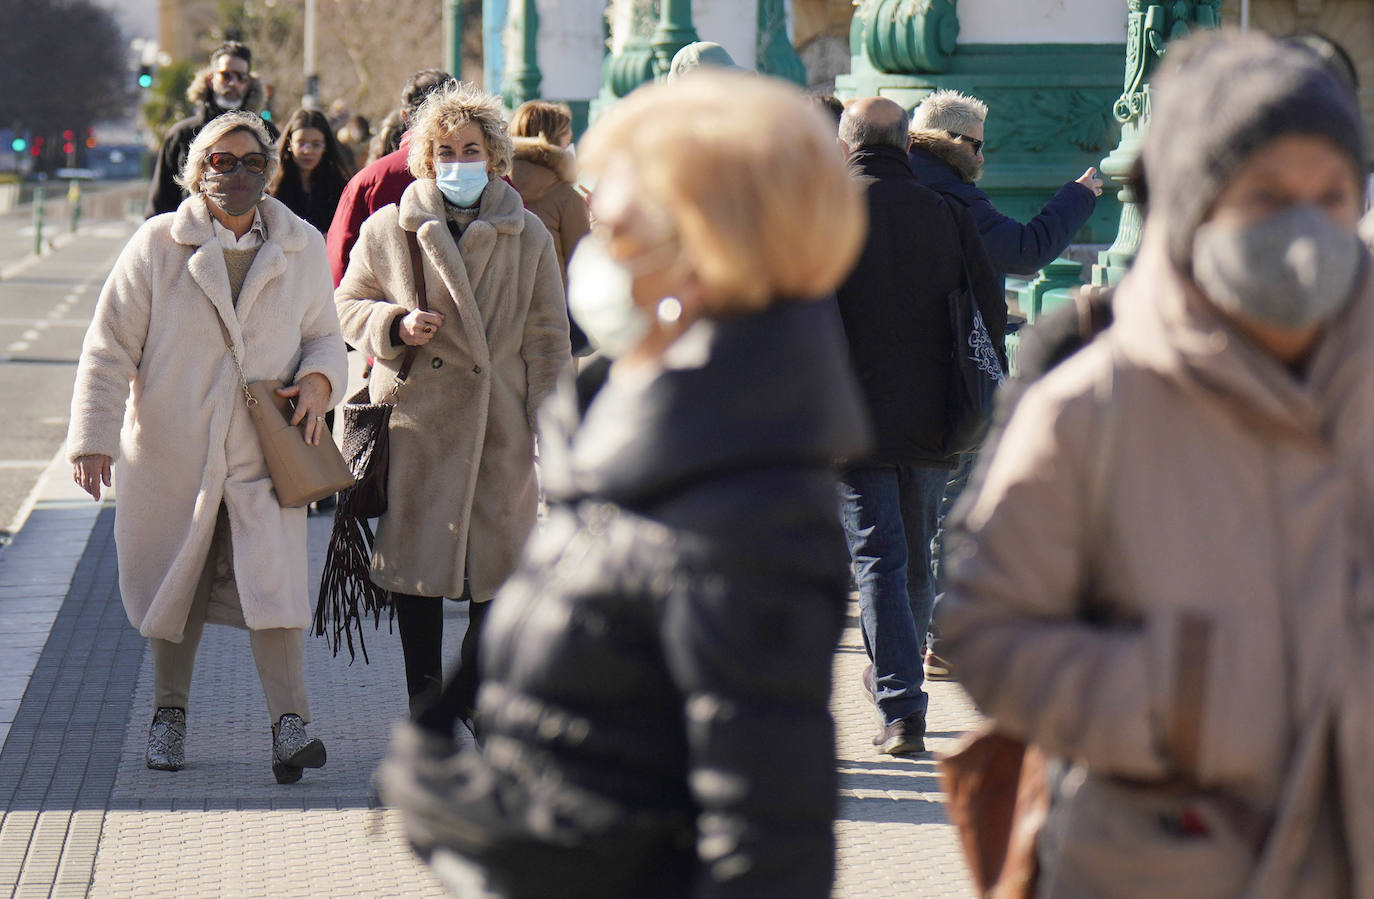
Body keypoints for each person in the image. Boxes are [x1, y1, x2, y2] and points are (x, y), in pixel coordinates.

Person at [377, 69, 868, 898]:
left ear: (708, 235)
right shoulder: (629, 416)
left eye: (624, 207)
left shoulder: (746, 496)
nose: (598, 222)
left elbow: (766, 832)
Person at [938, 31, 1374, 895]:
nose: (1306, 228)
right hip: (1151, 855)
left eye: (1331, 195)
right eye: (1269, 196)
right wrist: (1169, 698)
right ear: (1198, 202)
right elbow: (984, 625)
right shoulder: (1096, 399)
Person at [69, 111, 348, 784]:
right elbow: (108, 349)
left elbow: (325, 336)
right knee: (177, 583)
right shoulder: (156, 246)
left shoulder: (301, 244)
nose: (239, 174)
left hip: (263, 452)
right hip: (173, 453)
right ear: (195, 171)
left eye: (254, 161)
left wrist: (316, 382)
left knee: (275, 588)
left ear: (270, 171)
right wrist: (92, 439)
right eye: (223, 162)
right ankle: (168, 715)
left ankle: (290, 726)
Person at [334, 82, 571, 728]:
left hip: (501, 431)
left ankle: (470, 694)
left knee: (497, 582)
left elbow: (550, 338)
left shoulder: (527, 236)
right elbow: (347, 304)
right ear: (426, 157)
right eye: (444, 149)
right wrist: (394, 324)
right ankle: (425, 713)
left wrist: (556, 426)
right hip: (421, 430)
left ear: (495, 156)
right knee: (418, 581)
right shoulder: (392, 227)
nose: (457, 160)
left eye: (470, 148)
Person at [906, 88, 1103, 681]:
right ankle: (931, 644)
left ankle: (894, 651)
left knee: (894, 525)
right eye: (979, 147)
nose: (985, 158)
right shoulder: (954, 194)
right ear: (959, 144)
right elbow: (1026, 250)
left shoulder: (889, 184)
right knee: (949, 510)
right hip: (951, 376)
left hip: (887, 375)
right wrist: (1079, 195)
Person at [833, 97, 1003, 756]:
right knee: (914, 553)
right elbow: (986, 315)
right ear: (908, 146)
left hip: (852, 421)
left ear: (846, 149)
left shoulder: (827, 217)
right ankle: (897, 680)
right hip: (936, 421)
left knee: (878, 554)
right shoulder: (948, 214)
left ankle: (901, 703)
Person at [326, 69, 455, 286]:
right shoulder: (490, 174)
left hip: (390, 310)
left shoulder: (369, 181)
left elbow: (341, 266)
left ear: (404, 117)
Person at [146, 42, 277, 218]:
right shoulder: (182, 134)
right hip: (191, 237)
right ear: (210, 79)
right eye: (226, 75)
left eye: (241, 77)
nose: (233, 83)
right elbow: (161, 203)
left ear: (249, 84)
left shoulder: (267, 134)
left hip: (253, 236)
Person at [509, 99, 591, 355]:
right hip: (553, 324)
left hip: (502, 318)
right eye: (567, 139)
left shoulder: (494, 187)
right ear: (555, 142)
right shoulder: (565, 197)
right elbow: (583, 263)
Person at [269, 107, 354, 234]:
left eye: (316, 144)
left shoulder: (339, 188)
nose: (307, 150)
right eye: (301, 143)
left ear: (325, 146)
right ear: (289, 144)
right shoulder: (271, 186)